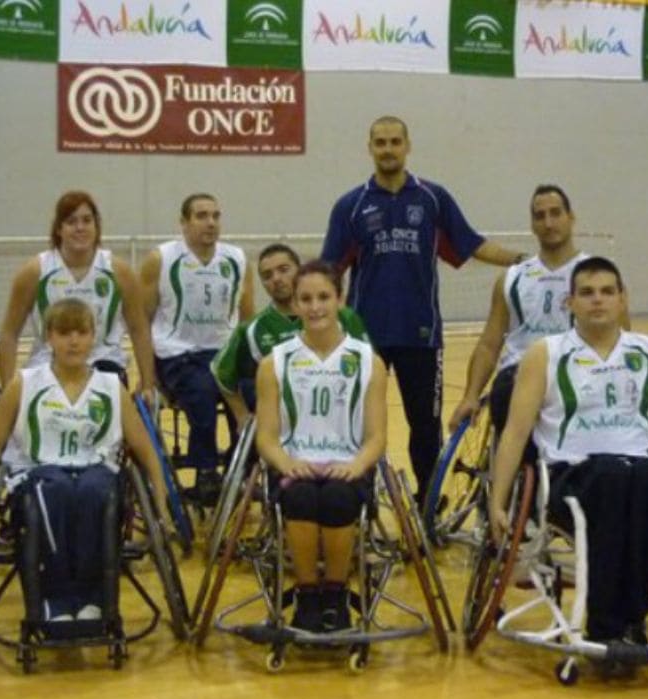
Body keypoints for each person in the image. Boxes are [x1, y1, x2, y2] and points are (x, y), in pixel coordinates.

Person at [488, 257, 648, 652]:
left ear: (623, 300)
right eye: (586, 293)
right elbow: (516, 434)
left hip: (642, 467)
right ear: (570, 303)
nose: (597, 300)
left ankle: (631, 625)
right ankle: (606, 627)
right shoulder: (544, 353)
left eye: (607, 292)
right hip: (573, 473)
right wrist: (498, 501)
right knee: (614, 477)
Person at [321, 116, 523, 507]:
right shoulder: (351, 205)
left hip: (421, 334)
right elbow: (329, 271)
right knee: (357, 424)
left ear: (407, 145)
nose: (388, 149)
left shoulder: (432, 199)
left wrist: (522, 260)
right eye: (380, 142)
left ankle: (428, 501)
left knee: (425, 427)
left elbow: (472, 244)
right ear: (370, 147)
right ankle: (356, 498)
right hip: (365, 339)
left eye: (395, 141)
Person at [0, 299, 164, 621]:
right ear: (49, 338)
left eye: (81, 332)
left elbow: (147, 452)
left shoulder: (111, 386)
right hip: (38, 475)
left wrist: (162, 507)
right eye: (64, 332)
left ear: (93, 336)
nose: (73, 340)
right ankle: (54, 599)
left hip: (96, 473)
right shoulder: (23, 384)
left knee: (94, 490)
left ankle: (92, 599)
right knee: (54, 490)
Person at [254, 261, 388, 633]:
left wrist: (358, 465)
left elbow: (377, 436)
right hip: (295, 463)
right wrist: (285, 461)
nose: (315, 307)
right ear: (294, 305)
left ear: (340, 299)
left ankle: (336, 592)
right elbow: (265, 435)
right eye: (306, 299)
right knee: (299, 500)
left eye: (324, 297)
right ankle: (307, 594)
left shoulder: (368, 361)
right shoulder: (274, 363)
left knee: (338, 500)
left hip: (348, 463)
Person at [448, 184, 589, 439]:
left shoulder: (595, 276)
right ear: (532, 225)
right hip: (518, 377)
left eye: (556, 213)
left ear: (571, 217)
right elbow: (489, 346)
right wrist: (470, 396)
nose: (548, 222)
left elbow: (618, 341)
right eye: (540, 216)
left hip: (576, 376)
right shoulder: (512, 278)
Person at [140, 193, 253, 505]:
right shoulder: (160, 259)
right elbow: (142, 322)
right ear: (184, 223)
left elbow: (248, 322)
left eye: (216, 216)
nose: (211, 222)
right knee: (202, 391)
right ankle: (204, 473)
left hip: (224, 354)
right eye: (202, 216)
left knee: (253, 393)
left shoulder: (237, 260)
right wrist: (147, 378)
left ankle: (240, 469)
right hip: (179, 355)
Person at [0, 190, 156, 393]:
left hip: (104, 363)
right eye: (71, 221)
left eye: (87, 220)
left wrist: (147, 384)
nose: (80, 227)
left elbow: (139, 330)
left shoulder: (119, 272)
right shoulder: (34, 272)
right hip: (47, 363)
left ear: (97, 227)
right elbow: (9, 333)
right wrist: (8, 388)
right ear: (59, 229)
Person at [210, 243, 367, 427]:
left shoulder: (344, 318)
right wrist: (242, 416)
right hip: (283, 429)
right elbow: (221, 373)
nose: (276, 279)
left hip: (340, 420)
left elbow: (369, 370)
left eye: (284, 270)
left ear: (299, 271)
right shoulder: (253, 329)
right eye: (267, 276)